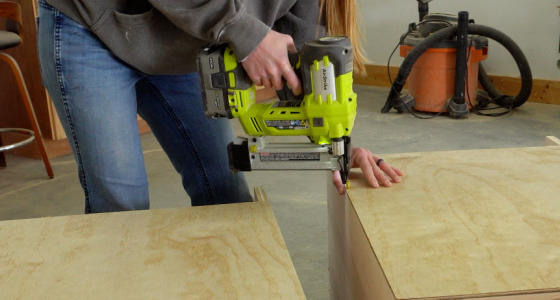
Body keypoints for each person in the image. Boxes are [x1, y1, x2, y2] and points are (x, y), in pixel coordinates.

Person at [36, 0, 402, 213]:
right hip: (92, 26)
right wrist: (243, 32)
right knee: (121, 204)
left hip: (188, 38)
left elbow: (309, 75)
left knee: (224, 193)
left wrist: (336, 144)